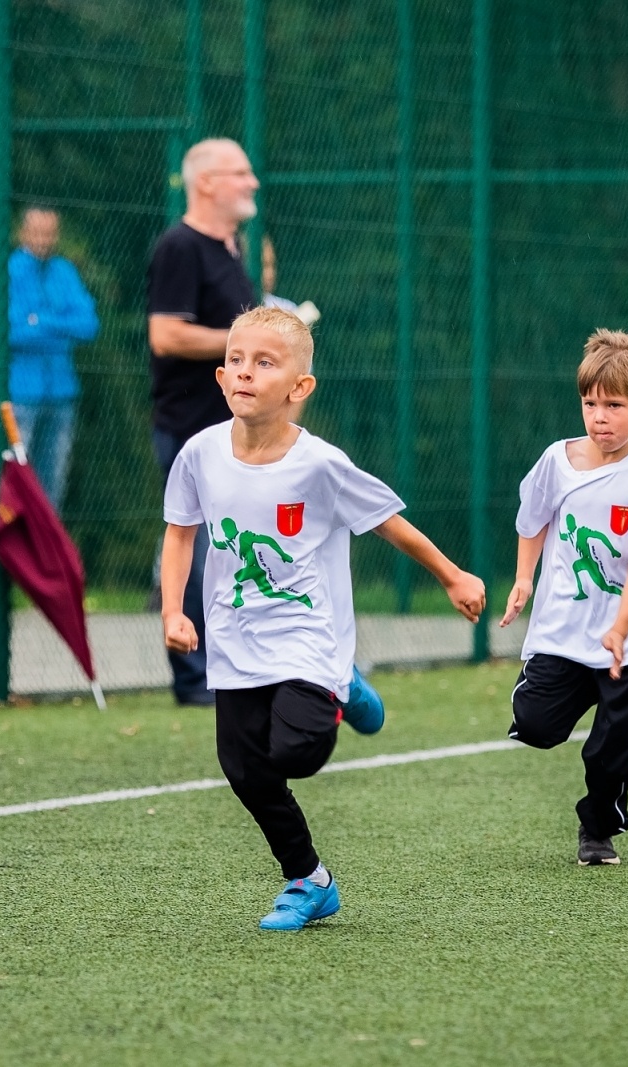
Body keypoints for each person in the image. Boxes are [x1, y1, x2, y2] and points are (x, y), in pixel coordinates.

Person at [160, 306, 485, 930]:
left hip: (308, 637)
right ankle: (309, 880)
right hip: (234, 641)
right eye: (235, 360)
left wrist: (453, 575)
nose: (245, 372)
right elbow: (180, 535)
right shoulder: (200, 454)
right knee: (243, 769)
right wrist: (175, 610)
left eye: (264, 362)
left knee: (300, 752)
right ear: (221, 378)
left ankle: (342, 683)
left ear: (299, 388)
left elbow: (390, 525)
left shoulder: (320, 465)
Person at [500, 330, 628, 868]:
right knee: (534, 724)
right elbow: (532, 522)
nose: (599, 417)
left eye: (614, 405)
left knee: (611, 749)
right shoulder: (557, 461)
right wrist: (524, 579)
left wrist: (622, 629)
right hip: (562, 629)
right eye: (590, 403)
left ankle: (598, 827)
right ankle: (594, 706)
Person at [148, 138, 260, 705]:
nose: (252, 183)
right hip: (188, 429)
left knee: (229, 551)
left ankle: (233, 667)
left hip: (236, 432)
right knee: (190, 549)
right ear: (207, 182)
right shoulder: (180, 247)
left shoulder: (232, 248)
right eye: (240, 173)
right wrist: (247, 343)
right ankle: (192, 677)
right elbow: (165, 334)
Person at [0, 206, 98, 610]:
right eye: (36, 231)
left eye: (49, 232)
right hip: (17, 396)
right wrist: (54, 323)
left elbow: (89, 324)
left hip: (60, 394)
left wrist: (39, 321)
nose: (43, 239)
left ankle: (43, 580)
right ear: (22, 232)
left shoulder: (64, 272)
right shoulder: (9, 271)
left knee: (50, 490)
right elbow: (8, 328)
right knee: (9, 485)